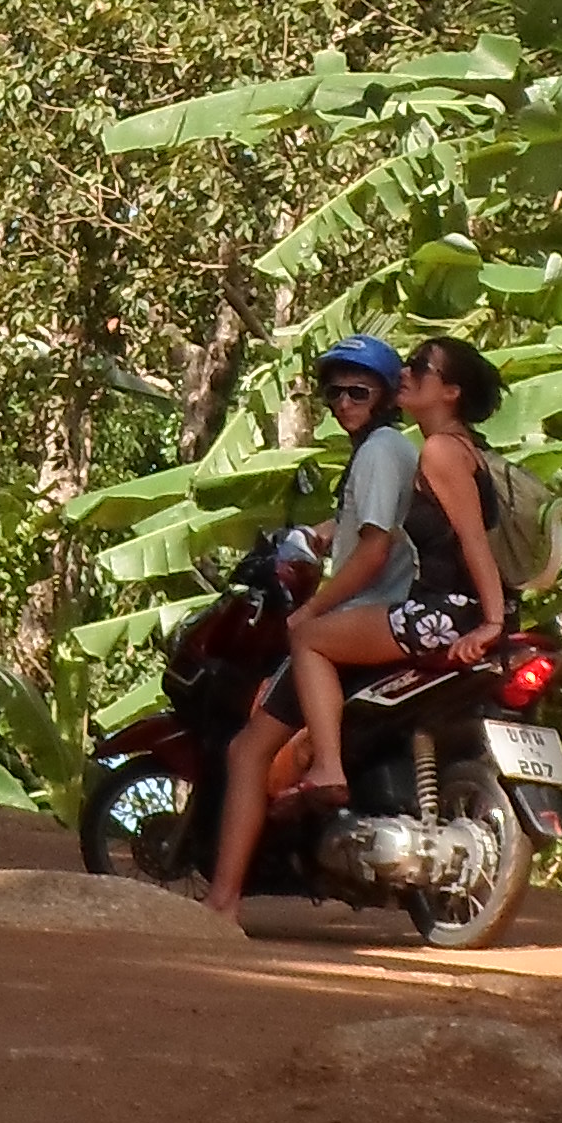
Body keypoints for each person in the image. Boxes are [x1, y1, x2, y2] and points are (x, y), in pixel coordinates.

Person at [200, 339, 414, 918]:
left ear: (387, 396)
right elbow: (369, 524)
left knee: (248, 749)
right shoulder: (391, 450)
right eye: (334, 393)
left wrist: (313, 609)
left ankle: (222, 902)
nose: (343, 403)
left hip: (367, 613)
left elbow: (373, 550)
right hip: (391, 612)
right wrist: (320, 533)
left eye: (358, 392)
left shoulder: (378, 452)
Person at [281, 336, 506, 807]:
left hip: (444, 611)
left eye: (420, 367)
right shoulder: (454, 448)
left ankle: (328, 768)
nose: (405, 373)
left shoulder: (441, 451)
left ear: (451, 392)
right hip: (450, 608)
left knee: (308, 638)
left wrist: (492, 622)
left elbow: (473, 541)